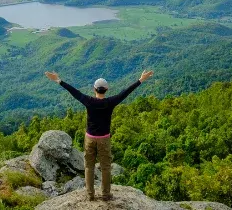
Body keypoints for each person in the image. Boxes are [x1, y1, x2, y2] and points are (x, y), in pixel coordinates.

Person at [45, 69, 154, 201]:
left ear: (94, 89)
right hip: (104, 138)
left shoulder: (89, 101)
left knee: (89, 166)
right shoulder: (110, 102)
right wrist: (140, 80)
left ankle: (90, 194)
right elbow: (125, 92)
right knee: (106, 167)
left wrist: (58, 80)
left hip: (90, 138)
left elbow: (74, 92)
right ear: (106, 89)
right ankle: (105, 194)